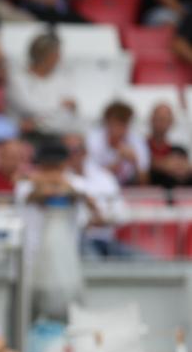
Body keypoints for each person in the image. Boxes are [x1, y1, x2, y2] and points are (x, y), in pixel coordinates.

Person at [16, 139, 96, 319]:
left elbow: (94, 207)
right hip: (30, 261)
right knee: (31, 314)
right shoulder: (25, 185)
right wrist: (47, 185)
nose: (52, 168)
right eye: (48, 164)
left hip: (66, 262)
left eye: (56, 164)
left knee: (69, 313)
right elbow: (30, 196)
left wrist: (62, 187)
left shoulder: (77, 184)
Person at [63, 133, 131, 257]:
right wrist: (99, 218)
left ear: (85, 151)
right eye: (67, 151)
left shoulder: (104, 177)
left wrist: (98, 219)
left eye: (76, 150)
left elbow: (122, 214)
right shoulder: (61, 179)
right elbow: (75, 221)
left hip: (109, 242)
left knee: (146, 262)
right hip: (76, 243)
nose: (72, 154)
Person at [6, 33, 78, 138]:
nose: (59, 59)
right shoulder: (17, 79)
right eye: (56, 54)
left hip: (59, 136)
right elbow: (30, 108)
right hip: (25, 137)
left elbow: (68, 114)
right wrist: (60, 105)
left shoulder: (63, 79)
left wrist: (39, 121)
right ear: (43, 55)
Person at [86, 101, 150, 186]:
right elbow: (90, 177)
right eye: (117, 124)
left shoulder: (137, 141)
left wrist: (135, 162)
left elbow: (144, 181)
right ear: (107, 122)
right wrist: (117, 161)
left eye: (124, 124)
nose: (120, 129)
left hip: (129, 189)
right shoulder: (94, 140)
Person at [147, 103, 192, 187]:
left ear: (171, 122)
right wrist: (163, 164)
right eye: (159, 119)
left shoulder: (179, 150)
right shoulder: (142, 146)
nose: (162, 123)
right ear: (151, 119)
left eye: (165, 119)